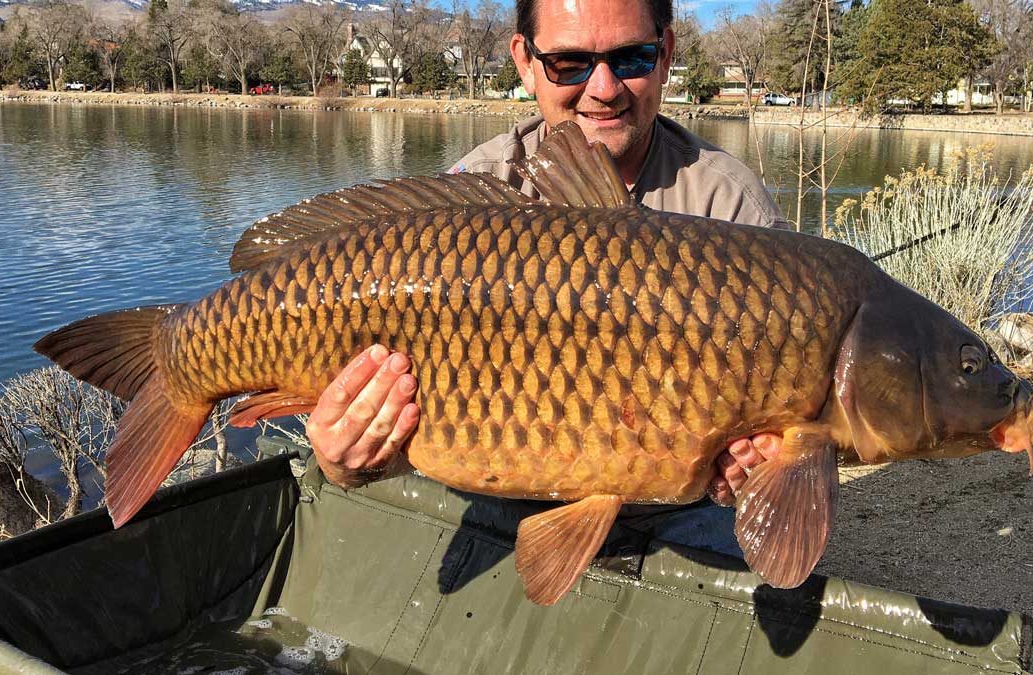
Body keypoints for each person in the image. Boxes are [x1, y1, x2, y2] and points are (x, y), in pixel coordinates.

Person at [304, 0, 791, 537]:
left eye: (632, 57)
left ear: (667, 54)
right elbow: (405, 434)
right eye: (568, 63)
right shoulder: (472, 200)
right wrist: (344, 460)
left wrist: (763, 470)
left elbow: (785, 439)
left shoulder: (733, 209)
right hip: (497, 497)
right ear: (525, 62)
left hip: (674, 511)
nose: (603, 88)